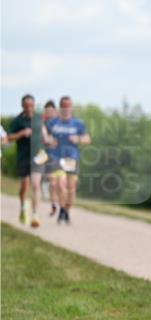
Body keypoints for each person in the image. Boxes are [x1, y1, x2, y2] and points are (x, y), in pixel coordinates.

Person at [47, 96, 91, 225]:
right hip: (56, 157)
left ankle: (66, 210)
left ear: (71, 107)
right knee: (60, 184)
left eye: (68, 106)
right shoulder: (52, 123)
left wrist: (77, 139)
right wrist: (48, 141)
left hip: (71, 158)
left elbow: (87, 139)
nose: (66, 108)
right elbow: (45, 138)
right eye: (63, 106)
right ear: (60, 107)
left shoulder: (77, 123)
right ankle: (62, 209)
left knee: (71, 189)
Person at [8, 94, 45, 227]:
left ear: (34, 106)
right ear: (22, 106)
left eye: (31, 105)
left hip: (37, 157)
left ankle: (35, 215)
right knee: (24, 185)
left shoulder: (38, 118)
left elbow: (44, 133)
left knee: (36, 185)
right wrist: (22, 133)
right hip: (23, 157)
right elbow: (9, 138)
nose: (29, 108)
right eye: (26, 106)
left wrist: (47, 140)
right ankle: (23, 206)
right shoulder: (18, 121)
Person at [41, 100, 61, 217]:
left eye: (51, 111)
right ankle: (54, 204)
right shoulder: (43, 122)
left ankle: (58, 203)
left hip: (60, 155)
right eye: (47, 111)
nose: (48, 113)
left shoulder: (59, 122)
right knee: (52, 181)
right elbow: (45, 139)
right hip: (47, 153)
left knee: (59, 183)